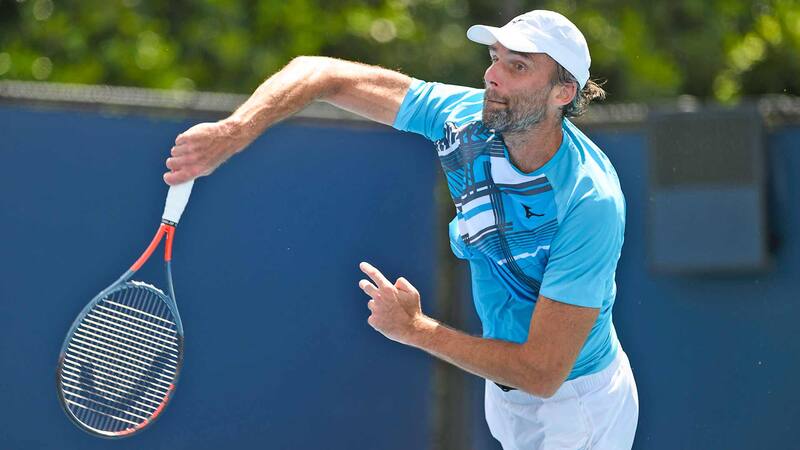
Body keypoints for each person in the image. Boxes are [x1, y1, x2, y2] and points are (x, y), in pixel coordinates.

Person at [164, 9, 639, 449]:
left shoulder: (588, 201)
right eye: (496, 59)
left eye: (519, 67)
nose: (493, 75)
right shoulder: (461, 118)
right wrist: (234, 131)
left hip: (578, 406)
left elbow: (542, 371)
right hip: (509, 393)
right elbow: (321, 72)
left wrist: (416, 330)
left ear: (563, 93)